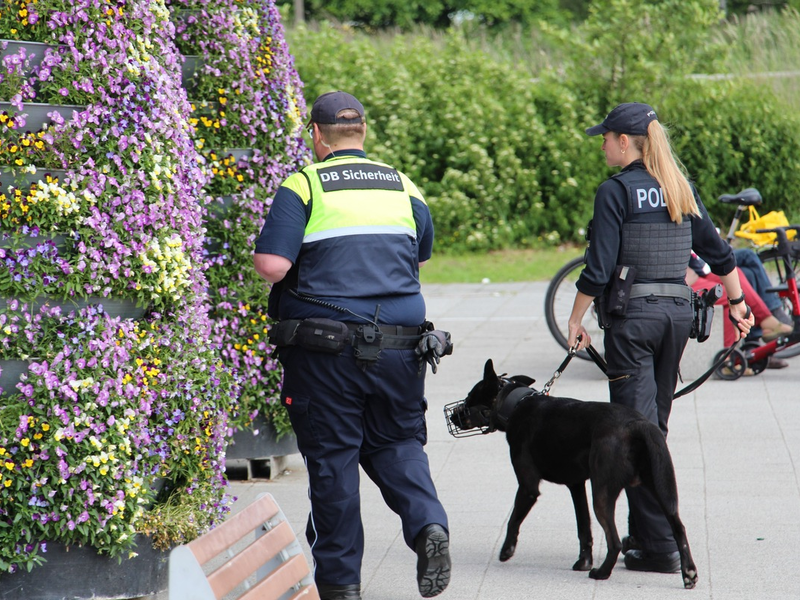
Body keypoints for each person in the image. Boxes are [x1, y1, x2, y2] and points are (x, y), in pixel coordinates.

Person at [253, 91, 451, 600]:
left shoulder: (304, 185)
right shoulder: (402, 185)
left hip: (326, 354)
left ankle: (341, 587)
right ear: (363, 132)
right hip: (403, 348)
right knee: (398, 442)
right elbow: (420, 255)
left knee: (334, 458)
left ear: (317, 135)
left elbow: (273, 266)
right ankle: (429, 525)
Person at [566, 103, 754, 575]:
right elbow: (719, 253)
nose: (603, 144)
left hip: (632, 322)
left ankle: (657, 547)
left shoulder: (614, 192)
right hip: (674, 319)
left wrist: (575, 320)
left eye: (606, 137)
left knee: (632, 431)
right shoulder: (678, 188)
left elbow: (600, 267)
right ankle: (651, 535)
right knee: (654, 429)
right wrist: (737, 305)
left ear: (626, 142)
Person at [687, 253, 793, 369]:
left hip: (697, 270)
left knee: (736, 273)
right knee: (731, 293)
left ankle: (761, 328)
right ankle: (730, 357)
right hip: (687, 280)